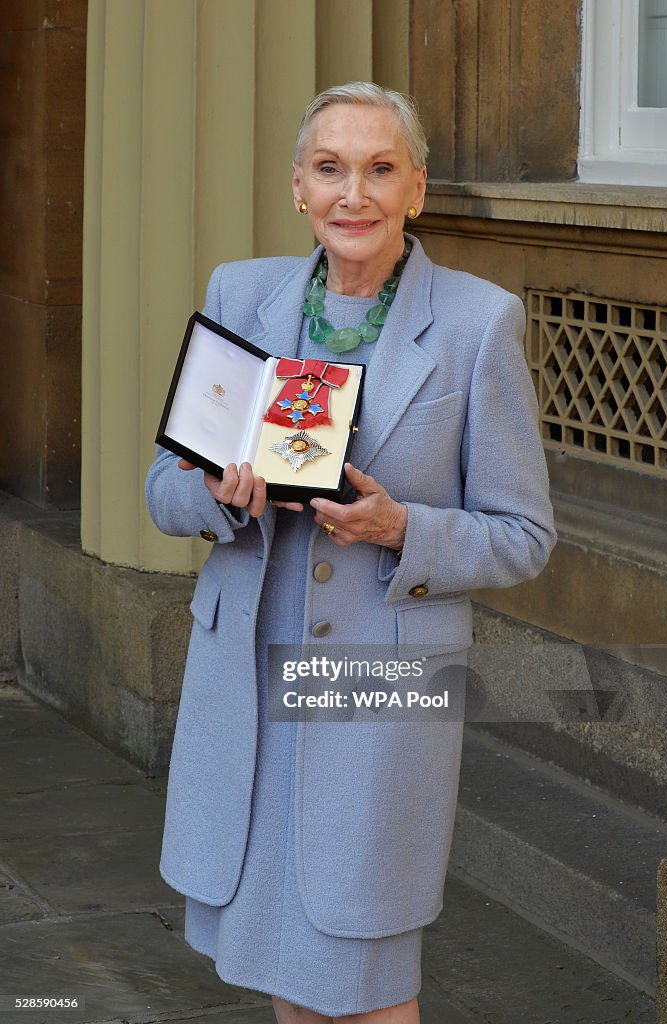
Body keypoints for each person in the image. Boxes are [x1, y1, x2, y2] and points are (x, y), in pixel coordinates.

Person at [144, 82, 556, 1024]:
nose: (353, 194)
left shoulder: (477, 323)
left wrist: (402, 527)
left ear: (416, 188)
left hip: (375, 693)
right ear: (298, 185)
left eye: (379, 170)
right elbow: (163, 489)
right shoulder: (240, 296)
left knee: (366, 983)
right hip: (247, 683)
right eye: (330, 168)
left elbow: (524, 535)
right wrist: (214, 495)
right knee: (292, 979)